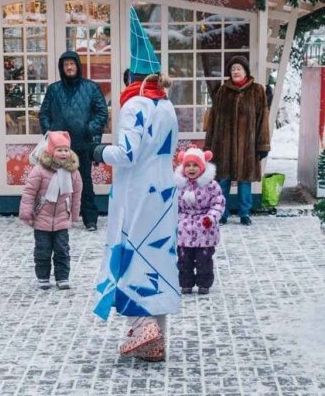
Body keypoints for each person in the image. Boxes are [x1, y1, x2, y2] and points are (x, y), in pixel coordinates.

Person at [94, 62, 180, 362]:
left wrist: (98, 151)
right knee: (158, 260)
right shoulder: (167, 105)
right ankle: (158, 341)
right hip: (164, 192)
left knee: (132, 256)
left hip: (138, 193)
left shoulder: (134, 104)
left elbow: (127, 154)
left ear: (130, 78)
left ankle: (142, 327)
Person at [37, 51, 109, 231]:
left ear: (78, 65)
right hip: (58, 146)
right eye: (65, 64)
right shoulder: (54, 89)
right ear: (61, 68)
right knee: (55, 182)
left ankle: (90, 219)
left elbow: (102, 112)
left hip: (82, 143)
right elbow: (44, 113)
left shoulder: (91, 88)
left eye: (72, 64)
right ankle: (58, 218)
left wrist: (89, 128)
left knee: (84, 181)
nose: (69, 67)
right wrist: (50, 131)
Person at [202, 54, 271, 225]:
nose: (235, 71)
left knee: (244, 180)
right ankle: (222, 213)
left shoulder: (257, 90)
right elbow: (213, 120)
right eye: (233, 69)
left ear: (246, 71)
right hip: (223, 145)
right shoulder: (222, 91)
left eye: (239, 68)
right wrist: (209, 145)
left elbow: (263, 119)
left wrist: (262, 145)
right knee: (223, 180)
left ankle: (244, 213)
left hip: (247, 145)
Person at [19, 131, 84, 290]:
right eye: (59, 150)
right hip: (42, 218)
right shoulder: (39, 170)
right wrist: (26, 212)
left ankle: (62, 277)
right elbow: (29, 192)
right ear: (50, 151)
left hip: (62, 218)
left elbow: (76, 195)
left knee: (62, 250)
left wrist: (74, 215)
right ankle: (43, 277)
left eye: (66, 150)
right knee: (42, 251)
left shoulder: (73, 172)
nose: (63, 153)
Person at [175, 146, 226, 295]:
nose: (191, 169)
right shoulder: (178, 185)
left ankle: (204, 284)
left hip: (204, 230)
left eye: (195, 165)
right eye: (188, 165)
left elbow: (218, 203)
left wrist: (211, 218)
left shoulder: (211, 185)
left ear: (202, 167)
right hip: (184, 230)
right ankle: (186, 283)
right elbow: (172, 205)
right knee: (184, 260)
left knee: (204, 260)